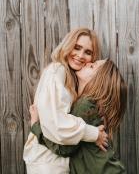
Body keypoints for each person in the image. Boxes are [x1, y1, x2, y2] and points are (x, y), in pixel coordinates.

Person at [23, 28, 108, 174]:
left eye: (88, 52)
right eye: (77, 47)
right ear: (68, 46)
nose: (80, 55)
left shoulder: (71, 78)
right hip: (47, 162)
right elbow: (56, 123)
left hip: (57, 159)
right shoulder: (57, 71)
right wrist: (94, 134)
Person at [30, 59, 127, 174]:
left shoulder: (85, 106)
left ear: (98, 81)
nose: (88, 63)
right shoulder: (87, 105)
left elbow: (63, 148)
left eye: (92, 66)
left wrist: (35, 125)